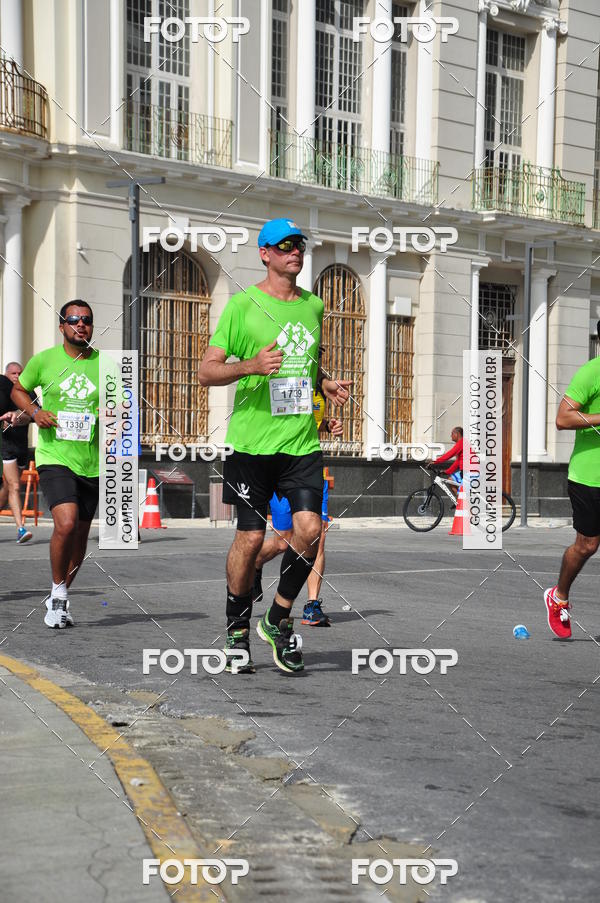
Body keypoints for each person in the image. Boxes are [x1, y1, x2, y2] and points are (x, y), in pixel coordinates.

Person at [198, 217, 350, 674]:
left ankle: (278, 618)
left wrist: (324, 384)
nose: (295, 252)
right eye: (284, 246)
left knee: (309, 531)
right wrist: (250, 366)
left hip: (300, 441)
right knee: (250, 537)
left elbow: (306, 361)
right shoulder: (242, 308)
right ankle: (237, 629)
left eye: (300, 245)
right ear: (264, 253)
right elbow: (207, 372)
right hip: (251, 446)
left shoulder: (313, 306)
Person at [11, 301, 99, 629]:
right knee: (65, 523)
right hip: (54, 457)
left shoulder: (106, 365)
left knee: (80, 540)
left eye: (86, 320)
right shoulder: (45, 360)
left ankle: (58, 596)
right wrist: (35, 413)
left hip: (92, 462)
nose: (81, 325)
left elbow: (122, 406)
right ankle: (59, 594)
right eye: (73, 320)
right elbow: (20, 389)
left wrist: (114, 415)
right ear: (62, 326)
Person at [253, 377, 343, 627]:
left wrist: (327, 425)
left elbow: (309, 422)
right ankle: (256, 562)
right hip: (280, 466)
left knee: (317, 535)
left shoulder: (322, 386)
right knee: (283, 541)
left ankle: (312, 605)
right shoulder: (280, 376)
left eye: (320, 351)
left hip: (310, 468)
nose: (316, 354)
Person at [544, 345, 600, 639]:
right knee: (587, 545)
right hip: (590, 477)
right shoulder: (592, 372)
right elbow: (563, 419)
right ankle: (559, 595)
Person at [0, 362, 34, 542]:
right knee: (14, 486)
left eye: (20, 372)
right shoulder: (2, 389)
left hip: (22, 446)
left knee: (8, 487)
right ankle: (21, 529)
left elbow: (35, 414)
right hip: (5, 444)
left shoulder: (27, 391)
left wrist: (19, 416)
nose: (17, 375)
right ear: (6, 375)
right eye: (13, 373)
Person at [430, 426, 463, 497]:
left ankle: (462, 504)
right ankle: (458, 501)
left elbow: (450, 454)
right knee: (451, 480)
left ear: (456, 434)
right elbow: (457, 462)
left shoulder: (461, 443)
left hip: (470, 472)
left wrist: (435, 461)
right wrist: (447, 472)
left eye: (452, 434)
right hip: (464, 471)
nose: (451, 436)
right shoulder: (460, 444)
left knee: (463, 493)